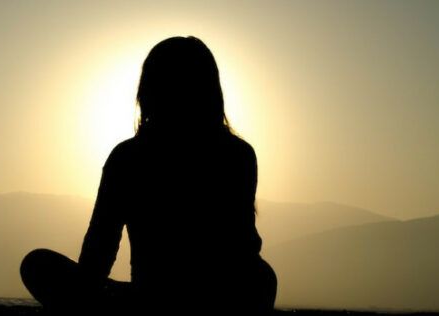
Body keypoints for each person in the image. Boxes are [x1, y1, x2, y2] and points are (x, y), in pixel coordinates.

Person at [20, 36, 277, 315]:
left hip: (159, 299)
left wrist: (87, 296)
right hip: (215, 297)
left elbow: (99, 250)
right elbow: (243, 246)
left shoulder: (128, 157)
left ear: (148, 91)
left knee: (38, 265)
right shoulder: (237, 154)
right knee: (261, 277)